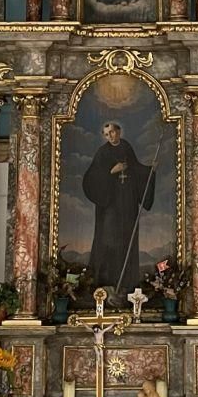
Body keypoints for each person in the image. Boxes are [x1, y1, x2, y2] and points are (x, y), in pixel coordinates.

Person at [82, 122, 155, 293]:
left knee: (126, 238)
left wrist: (150, 171)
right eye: (107, 134)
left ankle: (127, 283)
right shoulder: (102, 152)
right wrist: (111, 172)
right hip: (110, 205)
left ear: (119, 131)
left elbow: (136, 169)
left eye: (113, 132)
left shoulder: (126, 147)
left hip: (127, 203)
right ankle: (106, 280)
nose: (110, 136)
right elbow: (91, 178)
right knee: (109, 239)